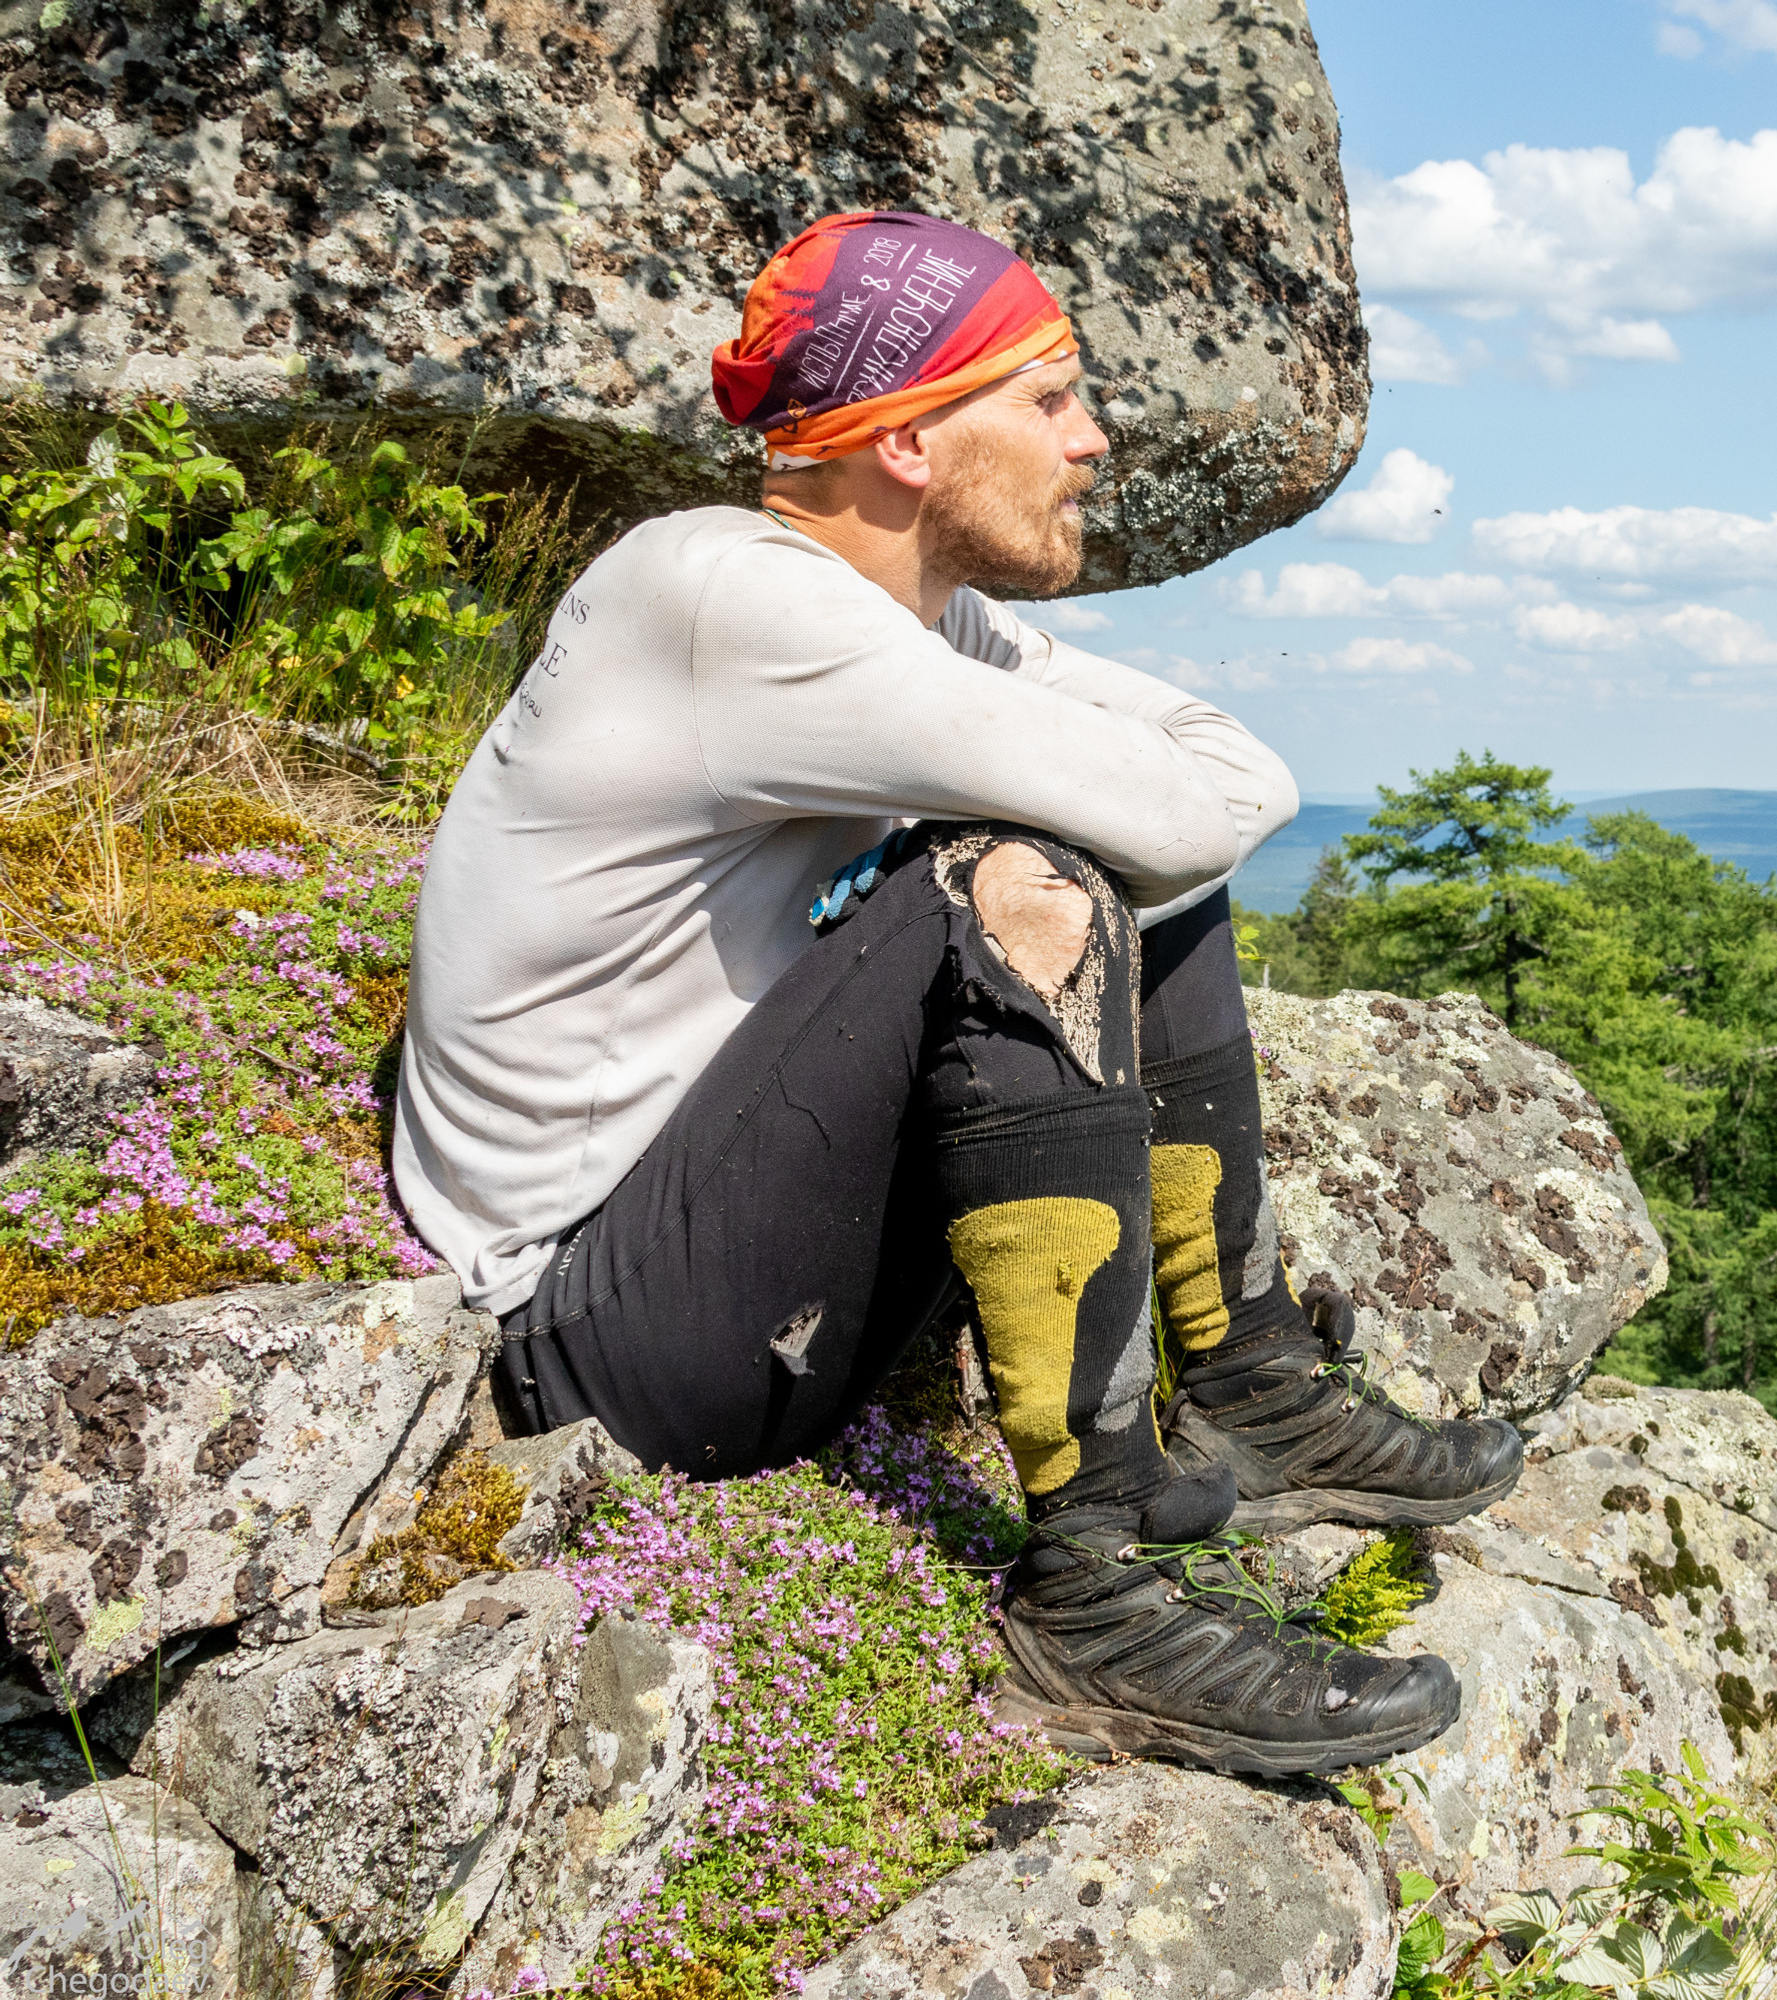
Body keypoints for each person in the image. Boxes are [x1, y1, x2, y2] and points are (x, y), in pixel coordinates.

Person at [391, 210, 1522, 1776]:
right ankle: (1096, 1589)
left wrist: (1136, 811)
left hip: (751, 1258)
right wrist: (1107, 821)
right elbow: (1186, 799)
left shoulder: (924, 624)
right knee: (1029, 865)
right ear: (912, 439)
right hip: (594, 1337)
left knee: (1122, 853)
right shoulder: (724, 597)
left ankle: (1250, 1387)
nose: (1094, 438)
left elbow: (1233, 786)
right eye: (1048, 397)